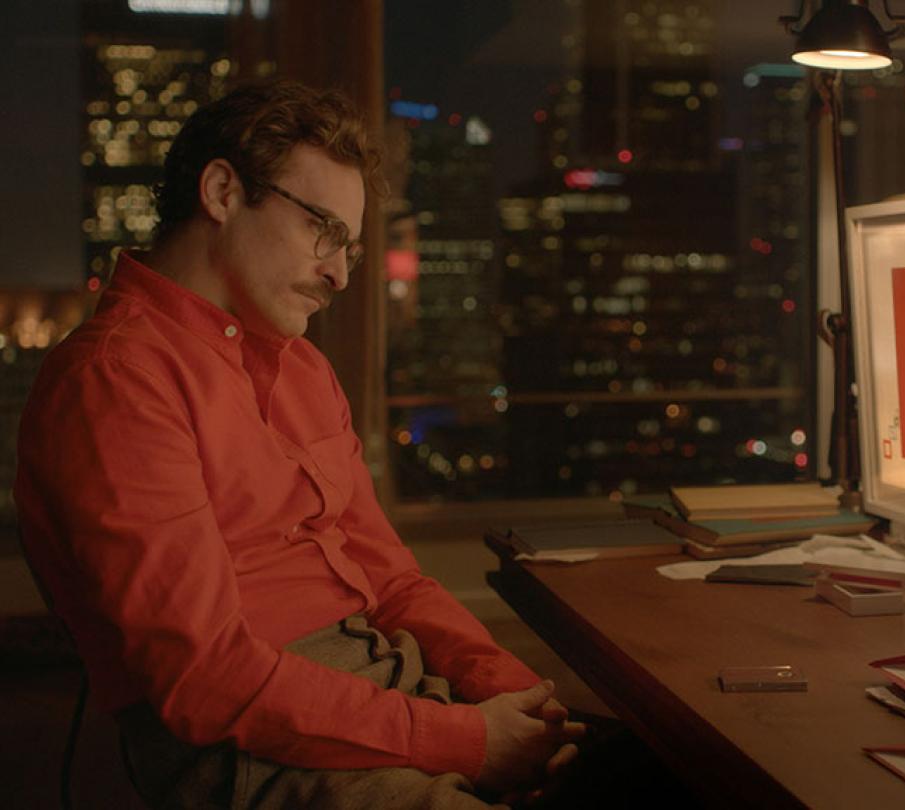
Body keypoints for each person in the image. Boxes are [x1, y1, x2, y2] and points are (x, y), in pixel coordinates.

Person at [15, 80, 585, 809]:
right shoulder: (118, 379)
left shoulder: (303, 368)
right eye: (324, 230)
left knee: (658, 775)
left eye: (349, 246)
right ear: (222, 191)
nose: (340, 274)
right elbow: (205, 679)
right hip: (248, 749)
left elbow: (395, 583)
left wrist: (517, 700)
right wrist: (468, 740)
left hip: (388, 687)